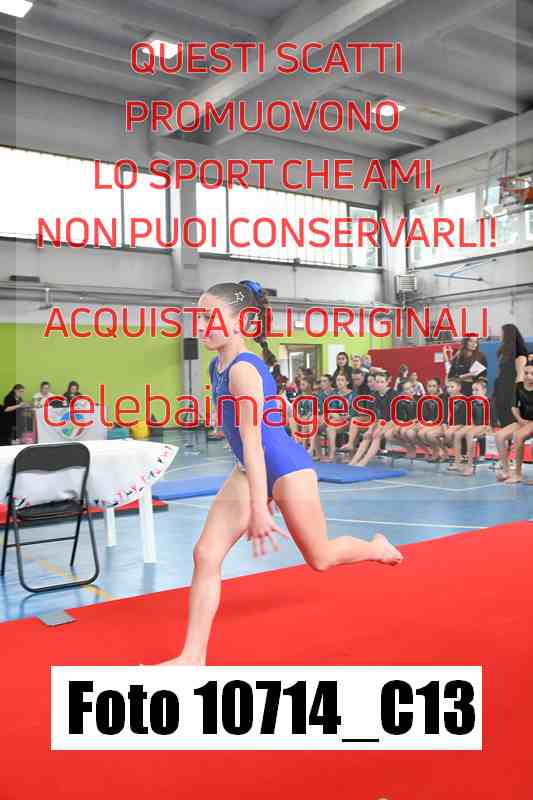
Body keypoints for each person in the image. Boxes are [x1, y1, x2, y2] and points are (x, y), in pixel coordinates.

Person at [156, 280, 403, 666]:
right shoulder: (216, 364)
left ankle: (377, 547)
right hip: (249, 469)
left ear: (240, 322)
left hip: (287, 470)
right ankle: (192, 657)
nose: (201, 325)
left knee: (320, 558)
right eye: (199, 317)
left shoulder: (243, 370)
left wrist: (259, 506)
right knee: (205, 553)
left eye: (210, 317)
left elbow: (255, 444)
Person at [494, 363, 533, 484]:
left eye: (532, 374)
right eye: (526, 373)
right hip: (523, 420)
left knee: (518, 436)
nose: (528, 376)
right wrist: (520, 420)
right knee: (499, 436)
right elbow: (514, 407)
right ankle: (506, 471)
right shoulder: (519, 386)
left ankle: (518, 474)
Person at [448, 378, 492, 476]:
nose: (474, 392)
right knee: (457, 434)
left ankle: (469, 466)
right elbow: (470, 418)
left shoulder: (489, 402)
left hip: (485, 425)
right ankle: (457, 462)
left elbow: (489, 421)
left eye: (477, 390)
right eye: (473, 390)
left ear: (484, 390)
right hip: (473, 425)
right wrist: (470, 426)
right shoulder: (471, 402)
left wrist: (484, 428)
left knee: (469, 434)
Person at [492, 324, 529, 428]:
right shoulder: (504, 351)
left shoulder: (519, 353)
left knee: (510, 416)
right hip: (501, 387)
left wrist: (517, 395)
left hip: (511, 388)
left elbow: (520, 376)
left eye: (501, 333)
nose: (500, 335)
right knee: (501, 413)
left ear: (507, 335)